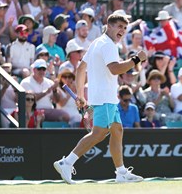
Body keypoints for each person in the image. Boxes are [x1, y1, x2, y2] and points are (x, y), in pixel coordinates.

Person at [53, 13, 146, 184]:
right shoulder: (108, 45)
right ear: (109, 26)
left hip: (107, 97)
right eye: (119, 26)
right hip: (105, 97)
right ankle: (66, 162)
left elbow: (81, 69)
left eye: (125, 28)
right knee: (99, 133)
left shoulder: (97, 42)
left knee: (117, 130)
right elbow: (115, 69)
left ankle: (121, 172)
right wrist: (136, 59)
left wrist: (81, 95)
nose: (122, 31)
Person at [20, 59, 70, 123]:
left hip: (49, 110)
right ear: (34, 70)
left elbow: (57, 100)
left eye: (44, 69)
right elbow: (31, 99)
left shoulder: (49, 82)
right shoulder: (25, 82)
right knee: (38, 117)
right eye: (39, 69)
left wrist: (54, 90)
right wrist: (47, 91)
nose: (42, 71)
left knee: (65, 116)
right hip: (33, 111)